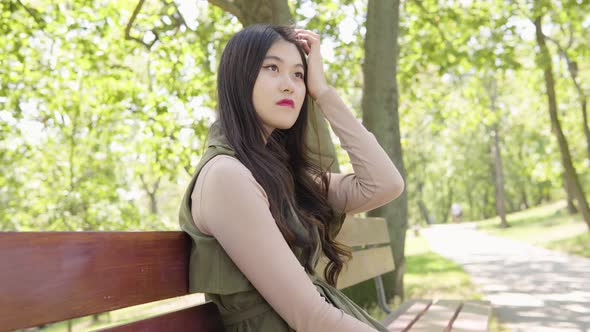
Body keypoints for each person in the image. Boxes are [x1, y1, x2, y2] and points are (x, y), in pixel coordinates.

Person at [178, 24, 404, 332]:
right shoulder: (226, 177)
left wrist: (323, 92)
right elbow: (311, 318)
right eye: (272, 67)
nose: (290, 86)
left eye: (299, 74)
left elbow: (384, 184)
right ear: (238, 78)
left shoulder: (279, 175)